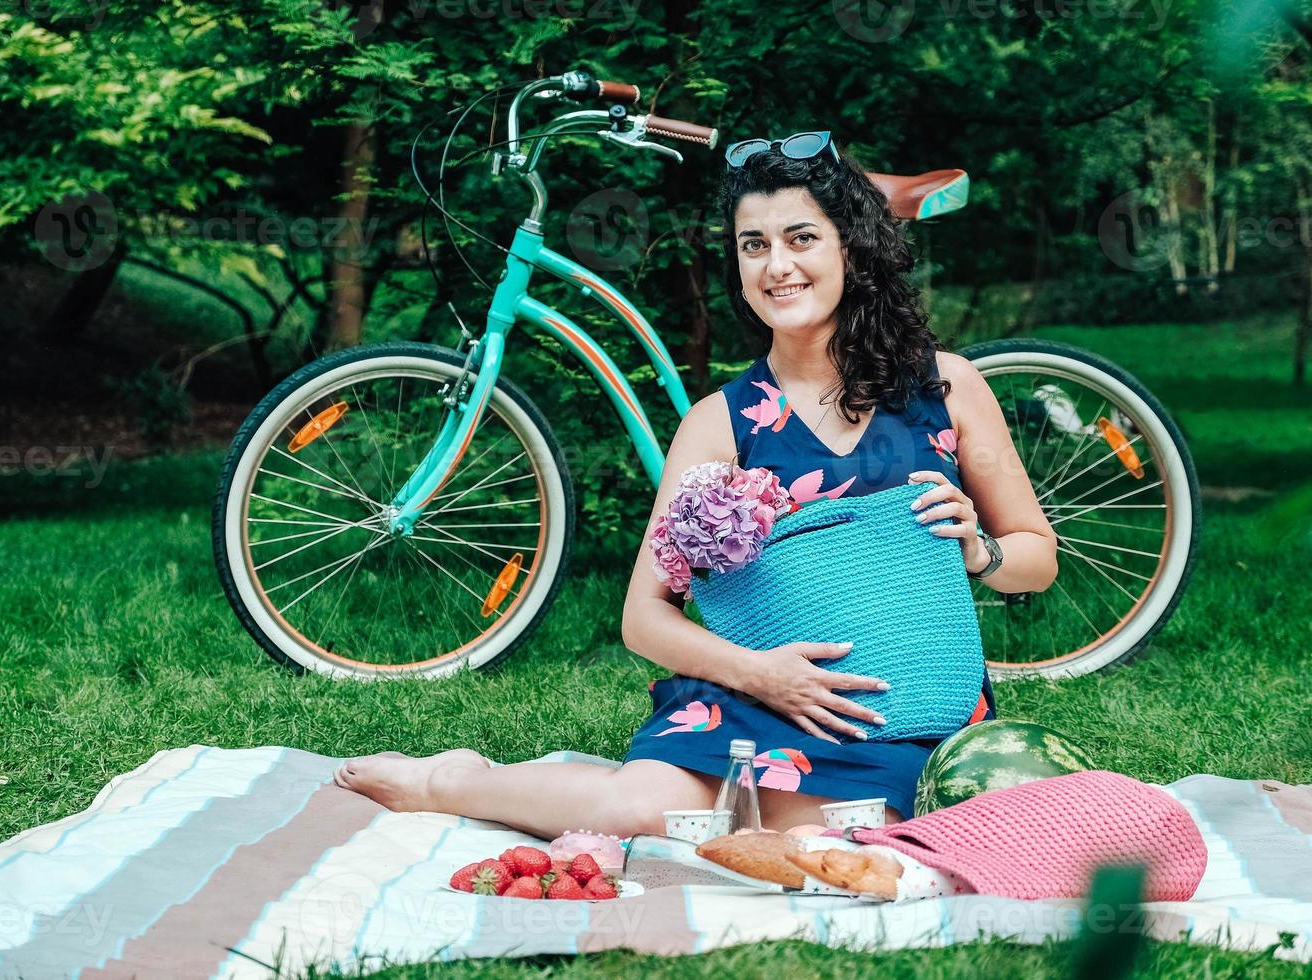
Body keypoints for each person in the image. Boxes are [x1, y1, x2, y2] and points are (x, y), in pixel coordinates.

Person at [334, 134, 1057, 838]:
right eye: (754, 245)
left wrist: (982, 554)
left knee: (849, 827)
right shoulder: (722, 425)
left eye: (801, 238)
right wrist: (762, 674)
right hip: (760, 691)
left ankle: (775, 802)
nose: (778, 266)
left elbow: (1038, 556)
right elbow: (645, 617)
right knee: (642, 810)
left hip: (918, 702)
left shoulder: (947, 386)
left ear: (851, 248)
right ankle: (449, 780)